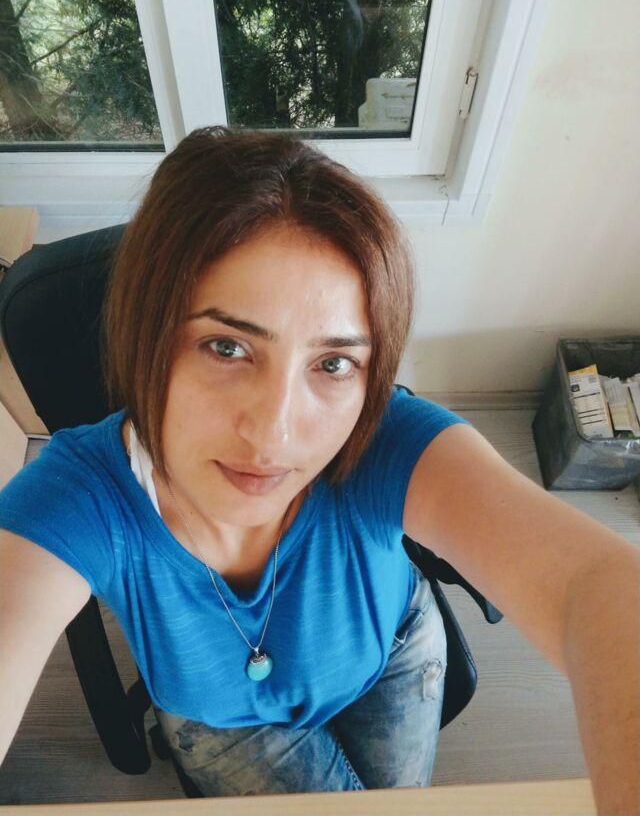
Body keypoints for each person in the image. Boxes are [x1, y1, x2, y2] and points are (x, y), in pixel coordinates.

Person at [0, 127, 638, 812]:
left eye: (333, 363)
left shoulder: (383, 440)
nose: (275, 433)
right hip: (225, 724)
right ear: (144, 332)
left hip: (390, 660)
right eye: (226, 347)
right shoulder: (81, 497)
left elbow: (593, 581)